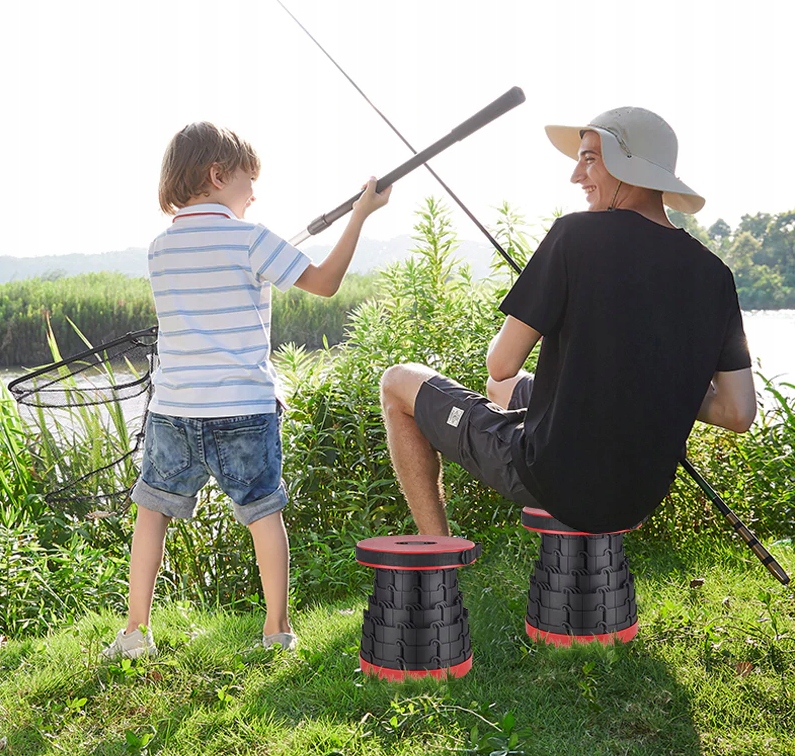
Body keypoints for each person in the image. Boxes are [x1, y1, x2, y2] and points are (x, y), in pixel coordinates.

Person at [380, 106, 755, 538]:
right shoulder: (714, 275)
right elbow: (737, 411)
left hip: (554, 478)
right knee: (503, 392)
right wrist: (662, 381)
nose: (576, 175)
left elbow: (499, 362)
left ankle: (437, 550)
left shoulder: (574, 236)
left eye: (590, 159)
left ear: (628, 166)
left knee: (398, 382)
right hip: (639, 494)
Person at [102, 121, 391, 659]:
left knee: (151, 513)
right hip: (242, 408)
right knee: (263, 514)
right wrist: (360, 215)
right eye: (247, 180)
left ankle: (135, 631)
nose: (254, 193)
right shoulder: (252, 238)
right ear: (217, 174)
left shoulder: (159, 249)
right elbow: (325, 282)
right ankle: (275, 631)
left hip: (174, 411)